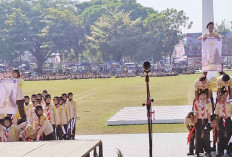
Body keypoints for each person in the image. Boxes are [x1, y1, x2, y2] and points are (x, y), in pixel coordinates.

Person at [194, 91, 212, 157]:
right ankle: (197, 152)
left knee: (206, 137)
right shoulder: (197, 103)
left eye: (205, 95)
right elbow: (196, 113)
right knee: (198, 137)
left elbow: (209, 113)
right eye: (202, 95)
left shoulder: (208, 103)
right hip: (198, 121)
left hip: (205, 120)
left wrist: (209, 122)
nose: (203, 96)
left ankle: (208, 151)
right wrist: (195, 121)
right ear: (199, 96)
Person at [215, 89, 232, 157]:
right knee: (221, 136)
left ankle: (229, 151)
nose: (224, 97)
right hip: (221, 120)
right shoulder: (218, 104)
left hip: (228, 120)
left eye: (225, 95)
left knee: (229, 135)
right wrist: (217, 124)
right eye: (223, 96)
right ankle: (220, 152)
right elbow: (216, 114)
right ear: (220, 96)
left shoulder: (230, 103)